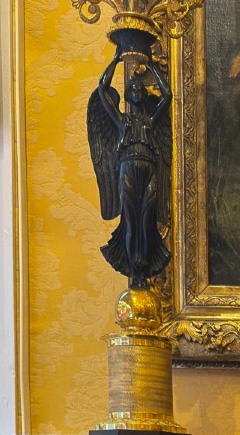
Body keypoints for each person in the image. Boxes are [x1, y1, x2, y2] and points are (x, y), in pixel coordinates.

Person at [87, 54, 172, 289]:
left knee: (147, 219)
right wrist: (116, 60)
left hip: (149, 170)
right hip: (127, 170)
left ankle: (145, 265)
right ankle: (134, 269)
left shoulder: (150, 122)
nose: (136, 90)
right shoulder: (121, 121)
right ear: (127, 94)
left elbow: (167, 96)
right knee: (131, 221)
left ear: (143, 94)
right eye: (132, 88)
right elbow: (103, 90)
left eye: (139, 88)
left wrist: (153, 67)